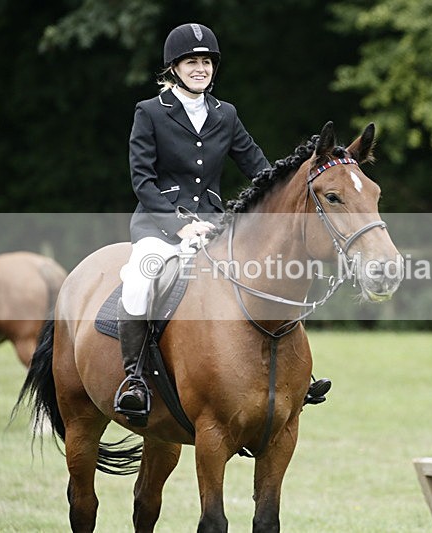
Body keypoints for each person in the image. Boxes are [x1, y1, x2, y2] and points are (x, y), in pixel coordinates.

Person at [116, 23, 331, 417]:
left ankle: (297, 372)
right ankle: (134, 379)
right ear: (174, 68)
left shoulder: (225, 114)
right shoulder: (149, 112)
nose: (201, 68)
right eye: (192, 62)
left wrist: (287, 195)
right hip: (159, 226)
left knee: (271, 273)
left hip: (215, 226)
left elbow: (259, 168)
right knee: (139, 280)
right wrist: (177, 225)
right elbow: (141, 180)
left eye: (206, 62)